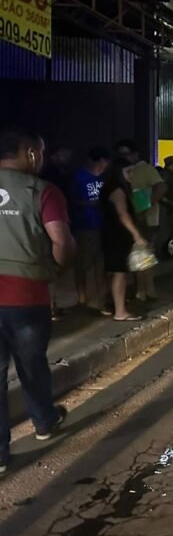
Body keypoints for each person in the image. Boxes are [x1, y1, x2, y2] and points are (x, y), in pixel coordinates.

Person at [0, 127, 73, 473]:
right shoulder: (43, 192)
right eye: (40, 153)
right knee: (32, 365)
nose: (41, 159)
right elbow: (61, 242)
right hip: (26, 296)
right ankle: (44, 421)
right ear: (29, 153)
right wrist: (56, 271)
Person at [100, 157, 149, 322]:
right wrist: (136, 234)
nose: (131, 174)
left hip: (113, 234)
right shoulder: (118, 190)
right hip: (117, 236)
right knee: (119, 273)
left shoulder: (113, 188)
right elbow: (123, 214)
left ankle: (116, 306)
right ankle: (120, 311)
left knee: (118, 273)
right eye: (128, 171)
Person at [115, 140, 164, 301]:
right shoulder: (122, 170)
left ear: (136, 154)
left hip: (144, 220)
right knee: (136, 256)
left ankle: (145, 290)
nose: (125, 157)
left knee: (144, 255)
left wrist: (148, 207)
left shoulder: (145, 169)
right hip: (130, 219)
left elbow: (160, 187)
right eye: (121, 153)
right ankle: (142, 290)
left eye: (127, 153)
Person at [70, 148, 110, 312]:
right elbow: (71, 201)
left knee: (101, 265)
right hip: (86, 226)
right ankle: (82, 298)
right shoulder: (79, 177)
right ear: (98, 161)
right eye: (105, 161)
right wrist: (89, 204)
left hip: (104, 226)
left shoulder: (106, 178)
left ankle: (101, 300)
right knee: (83, 264)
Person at [39, 147, 75, 322]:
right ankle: (51, 307)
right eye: (65, 154)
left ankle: (52, 305)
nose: (68, 157)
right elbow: (61, 242)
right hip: (51, 224)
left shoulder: (60, 173)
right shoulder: (49, 179)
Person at [155, 155, 173, 260]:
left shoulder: (170, 175)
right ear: (172, 164)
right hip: (165, 206)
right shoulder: (166, 175)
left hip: (169, 205)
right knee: (164, 231)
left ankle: (164, 252)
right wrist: (168, 203)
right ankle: (159, 253)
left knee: (169, 230)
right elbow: (161, 191)